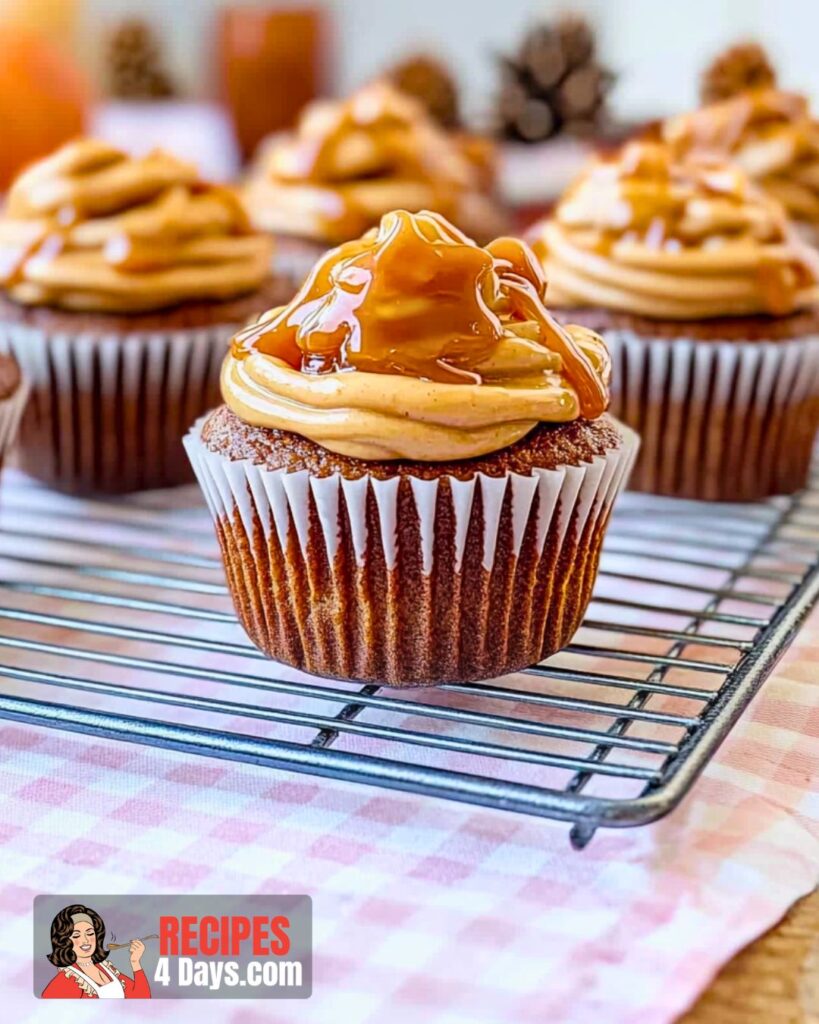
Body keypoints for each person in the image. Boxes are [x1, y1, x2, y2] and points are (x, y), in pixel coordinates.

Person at [40, 904, 150, 999]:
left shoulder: (107, 969)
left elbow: (141, 999)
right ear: (64, 941)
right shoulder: (66, 980)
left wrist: (135, 962)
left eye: (90, 933)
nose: (86, 940)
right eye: (76, 935)